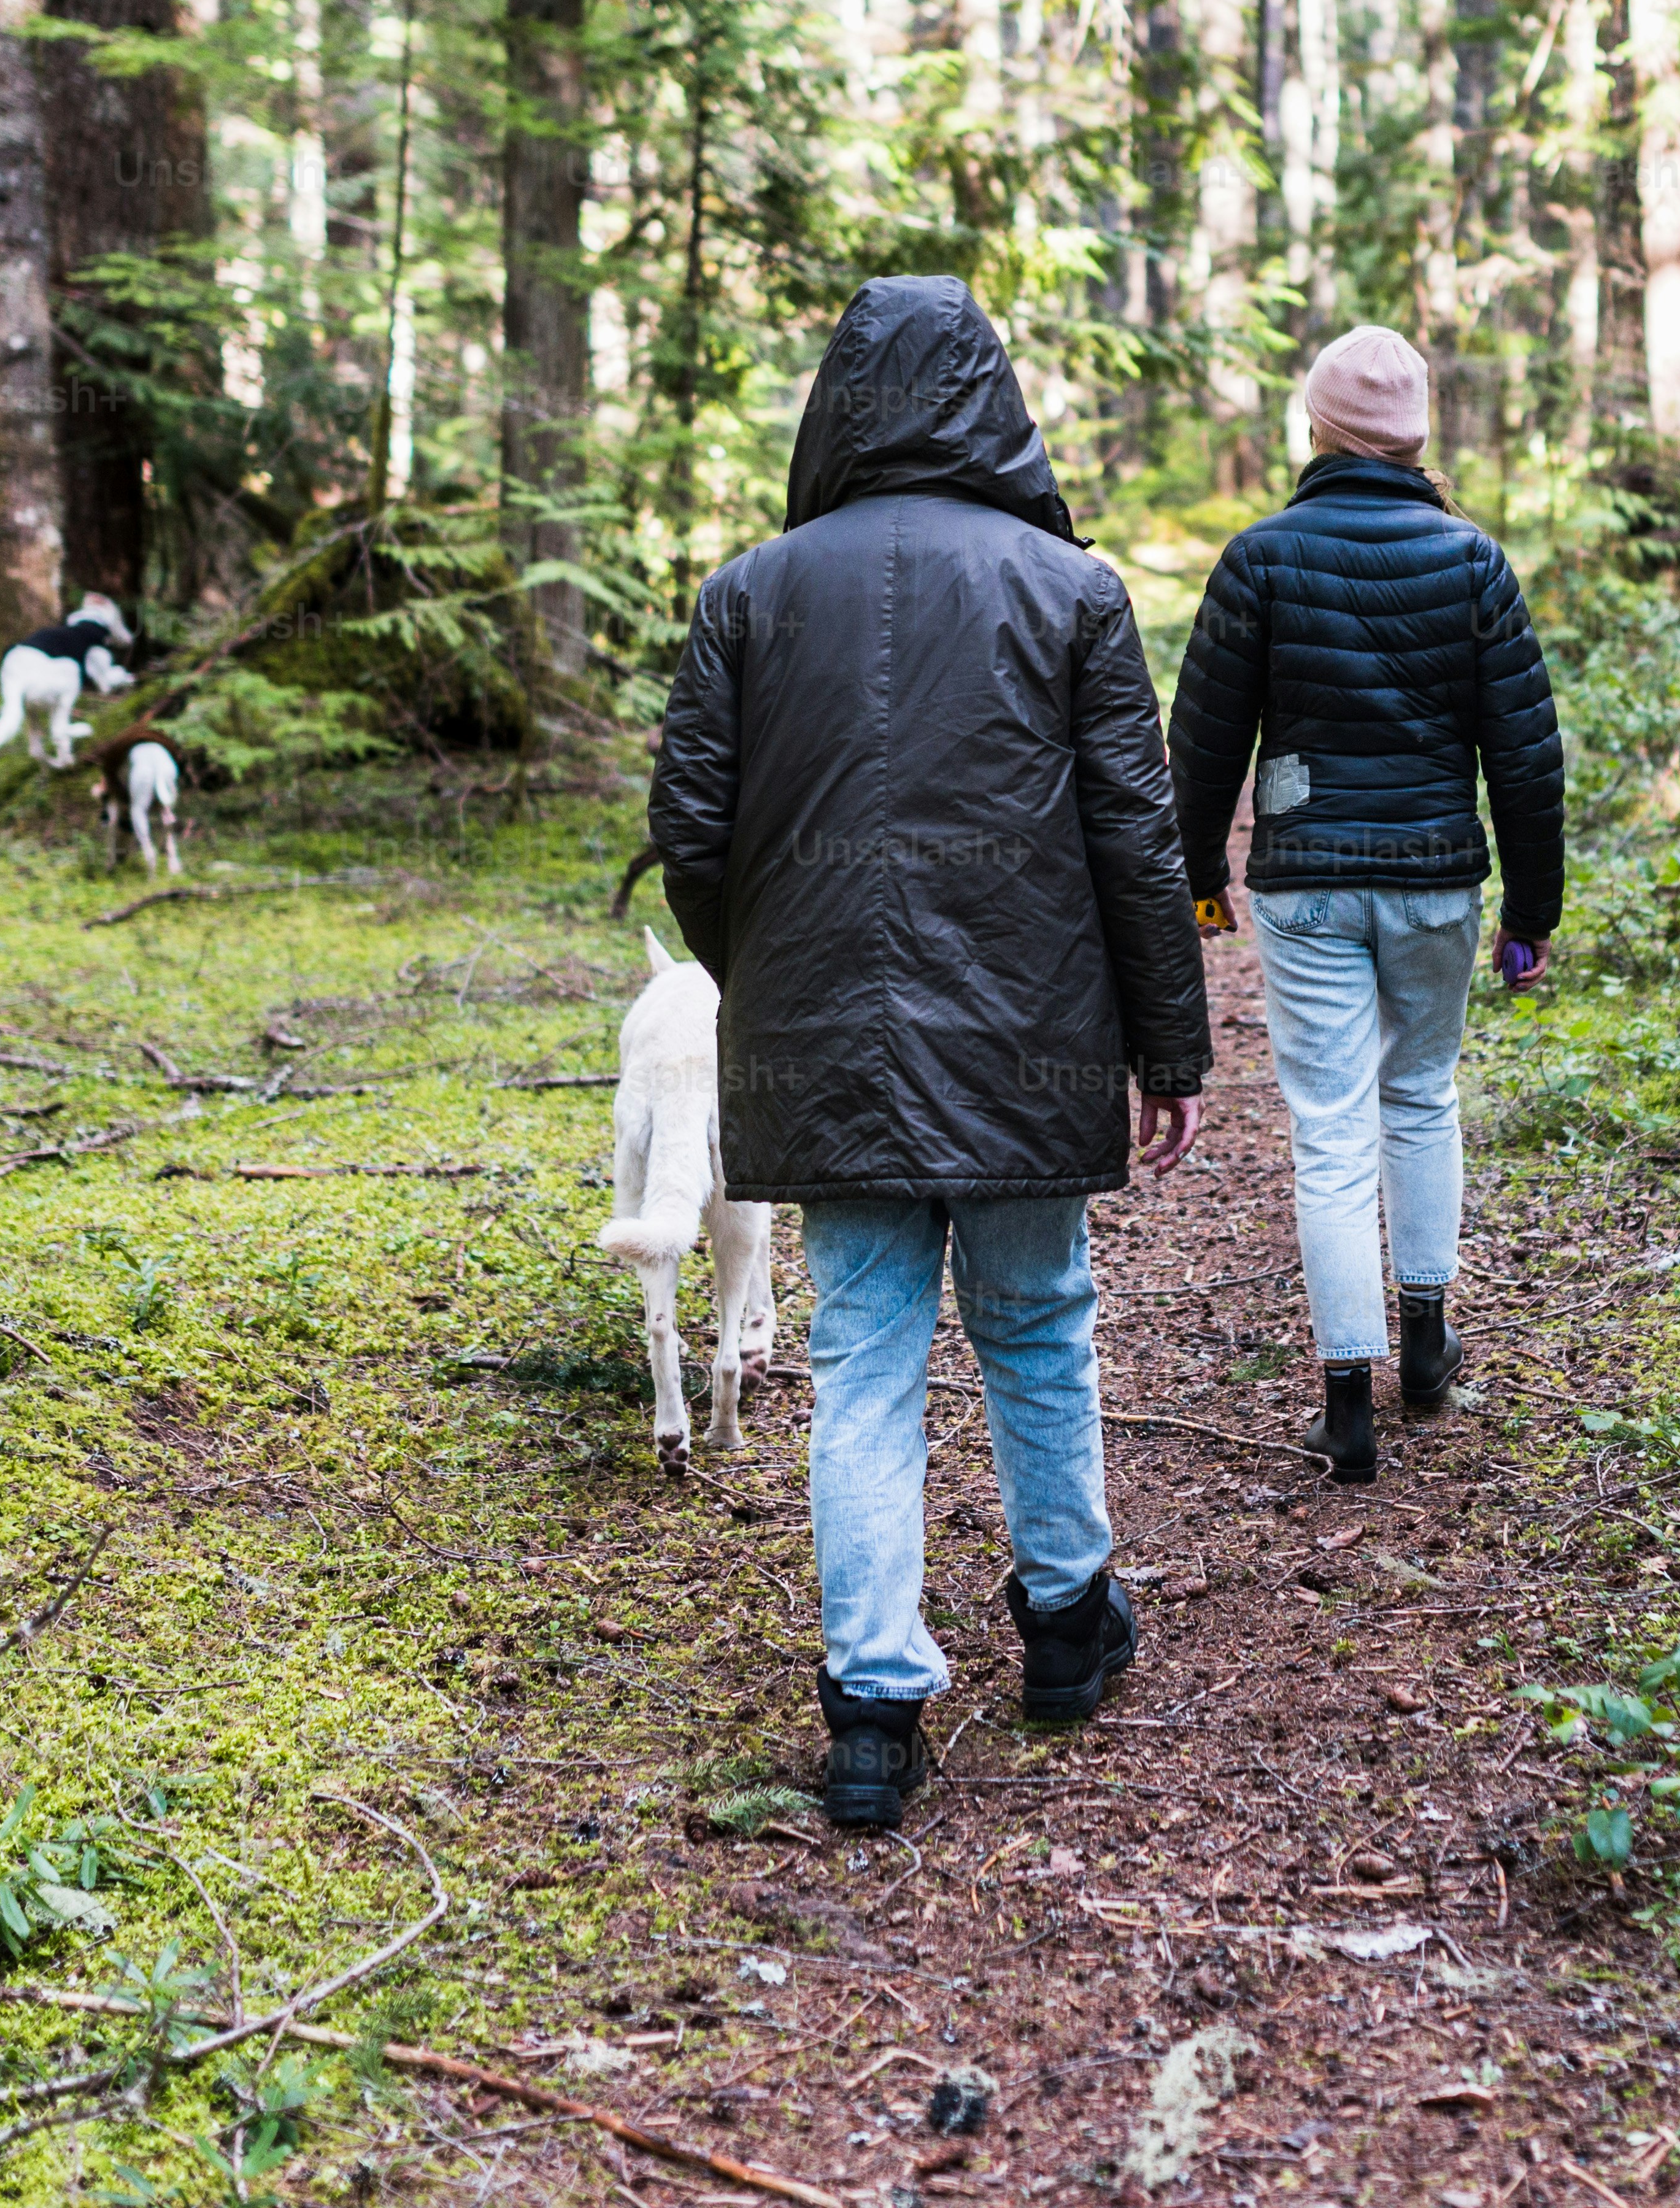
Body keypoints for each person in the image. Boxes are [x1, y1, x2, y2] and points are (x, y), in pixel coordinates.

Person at [647, 277, 1212, 1829]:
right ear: (994, 399)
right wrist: (1168, 1043)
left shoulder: (747, 592)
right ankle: (1063, 1625)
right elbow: (1134, 839)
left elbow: (689, 837)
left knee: (864, 1364)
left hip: (822, 1040)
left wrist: (769, 971)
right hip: (1031, 1041)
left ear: (835, 404)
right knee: (1037, 1324)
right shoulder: (1070, 589)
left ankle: (874, 1711)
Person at [1165, 326, 1563, 1488]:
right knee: (1421, 1094)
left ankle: (1348, 1406)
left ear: (1321, 428)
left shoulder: (1260, 559)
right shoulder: (1474, 561)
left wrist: (1199, 880)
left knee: (1330, 1129)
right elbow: (1525, 757)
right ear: (1416, 435)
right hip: (1438, 876)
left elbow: (1201, 746)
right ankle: (1427, 1344)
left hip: (1307, 885)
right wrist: (1529, 909)